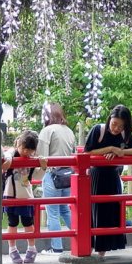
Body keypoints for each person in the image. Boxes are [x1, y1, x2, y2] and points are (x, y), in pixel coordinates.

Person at [85, 105, 132, 257]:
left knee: (110, 212)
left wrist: (121, 152)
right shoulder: (98, 130)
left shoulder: (125, 135)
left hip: (113, 175)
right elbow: (88, 151)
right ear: (109, 119)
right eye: (114, 124)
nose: (116, 128)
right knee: (95, 212)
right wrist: (110, 148)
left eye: (120, 125)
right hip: (96, 176)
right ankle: (91, 247)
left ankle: (103, 250)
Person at [37, 102, 76, 255]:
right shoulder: (69, 131)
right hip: (67, 175)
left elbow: (42, 158)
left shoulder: (47, 131)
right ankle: (82, 239)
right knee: (64, 210)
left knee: (52, 211)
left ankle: (57, 247)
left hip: (53, 174)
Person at [2, 130, 40, 264]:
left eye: (30, 150)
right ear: (19, 143)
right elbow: (5, 158)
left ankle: (32, 248)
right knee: (12, 222)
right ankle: (12, 249)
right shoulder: (11, 154)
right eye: (24, 149)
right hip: (10, 194)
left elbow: (37, 176)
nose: (26, 153)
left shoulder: (33, 158)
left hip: (26, 195)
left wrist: (43, 166)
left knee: (28, 222)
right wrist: (10, 160)